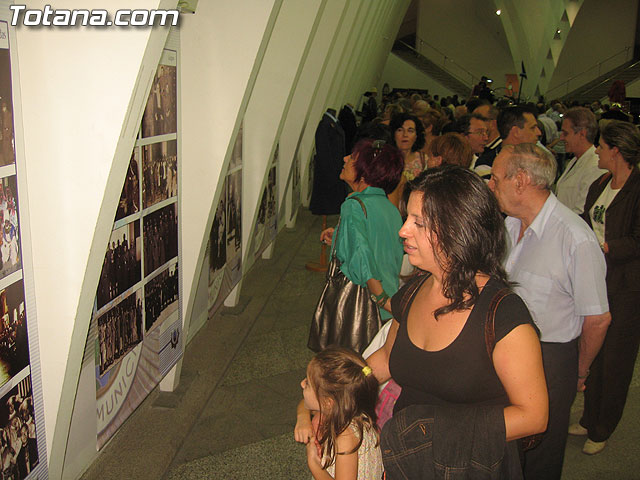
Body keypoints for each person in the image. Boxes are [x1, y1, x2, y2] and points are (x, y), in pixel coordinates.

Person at [367, 166, 548, 476]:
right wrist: (343, 383)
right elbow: (384, 358)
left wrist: (434, 431)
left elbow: (533, 416)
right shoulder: (413, 290)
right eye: (407, 217)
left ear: (457, 231)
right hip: (410, 462)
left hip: (469, 466)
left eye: (418, 223)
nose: (403, 230)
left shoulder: (503, 316)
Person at [489, 143, 611, 479]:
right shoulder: (509, 227)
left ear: (521, 181)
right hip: (503, 351)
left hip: (550, 359)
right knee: (504, 447)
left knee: (540, 452)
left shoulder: (575, 239)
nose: (491, 185)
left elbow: (598, 319)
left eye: (496, 179)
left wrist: (580, 371)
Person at [570, 120, 640, 455]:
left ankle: (603, 426)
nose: (596, 151)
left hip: (627, 287)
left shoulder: (638, 188)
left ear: (616, 150)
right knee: (593, 352)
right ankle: (588, 417)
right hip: (597, 278)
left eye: (601, 146)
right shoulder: (601, 183)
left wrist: (606, 248)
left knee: (616, 361)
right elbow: (587, 220)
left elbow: (637, 240)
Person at [309, 139, 404, 353]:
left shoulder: (352, 205)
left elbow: (362, 255)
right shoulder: (389, 209)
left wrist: (380, 297)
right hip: (387, 308)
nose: (344, 159)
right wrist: (339, 237)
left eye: (352, 157)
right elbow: (380, 246)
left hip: (361, 310)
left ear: (365, 170)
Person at [294, 346, 383, 480]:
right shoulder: (342, 407)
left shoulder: (346, 437)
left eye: (307, 384)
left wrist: (313, 464)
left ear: (327, 403)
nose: (301, 383)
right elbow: (304, 404)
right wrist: (303, 419)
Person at [555, 107, 606, 214]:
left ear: (582, 134)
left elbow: (582, 211)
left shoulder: (595, 166)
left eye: (565, 133)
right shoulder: (574, 160)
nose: (561, 138)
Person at [387, 113, 426, 208]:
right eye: (400, 130)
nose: (405, 135)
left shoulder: (424, 160)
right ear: (393, 134)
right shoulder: (386, 160)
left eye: (410, 131)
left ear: (416, 135)